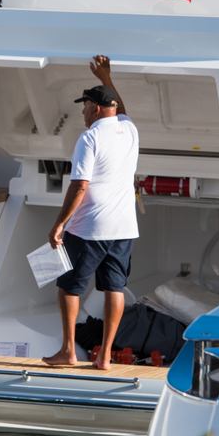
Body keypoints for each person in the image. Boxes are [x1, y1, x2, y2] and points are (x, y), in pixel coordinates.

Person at [43, 55, 139, 371]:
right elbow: (121, 108)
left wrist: (60, 224)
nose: (82, 112)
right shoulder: (129, 130)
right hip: (124, 227)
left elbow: (80, 186)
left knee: (69, 286)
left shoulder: (90, 137)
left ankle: (69, 351)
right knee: (114, 287)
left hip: (89, 228)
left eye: (84, 106)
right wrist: (107, 77)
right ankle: (105, 356)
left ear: (95, 109)